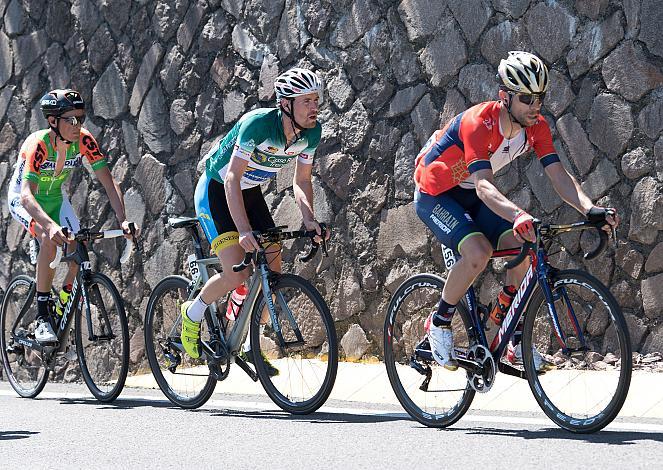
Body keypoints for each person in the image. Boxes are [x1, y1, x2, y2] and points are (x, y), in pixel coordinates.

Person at [413, 51, 618, 371]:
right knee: (478, 253)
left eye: (540, 98)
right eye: (526, 99)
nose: (535, 106)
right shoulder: (478, 123)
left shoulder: (536, 127)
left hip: (473, 194)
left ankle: (510, 335)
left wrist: (590, 208)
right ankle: (439, 323)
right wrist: (517, 214)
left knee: (523, 248)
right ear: (504, 97)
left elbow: (559, 176)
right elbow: (483, 185)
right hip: (436, 193)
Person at [182, 67, 330, 375]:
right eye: (306, 101)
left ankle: (251, 344)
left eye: (316, 99)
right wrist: (244, 230)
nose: (314, 107)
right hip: (217, 189)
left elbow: (302, 180)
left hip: (249, 192)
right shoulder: (258, 125)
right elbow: (232, 178)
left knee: (272, 272)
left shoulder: (311, 133)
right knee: (238, 270)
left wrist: (310, 220)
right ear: (286, 104)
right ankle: (193, 312)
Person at [7, 89, 139, 343]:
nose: (78, 125)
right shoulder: (39, 145)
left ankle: (63, 305)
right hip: (24, 200)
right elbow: (26, 196)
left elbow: (109, 183)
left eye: (81, 118)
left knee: (78, 248)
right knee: (48, 236)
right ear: (53, 121)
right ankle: (44, 316)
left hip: (56, 197)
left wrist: (123, 219)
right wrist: (50, 226)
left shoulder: (84, 140)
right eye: (71, 119)